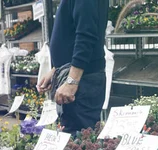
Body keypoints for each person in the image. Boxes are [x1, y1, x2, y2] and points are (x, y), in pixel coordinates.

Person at [37, 0, 109, 133]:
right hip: (79, 77)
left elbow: (86, 36)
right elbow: (70, 34)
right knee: (75, 137)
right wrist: (56, 69)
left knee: (80, 140)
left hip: (83, 80)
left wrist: (72, 81)